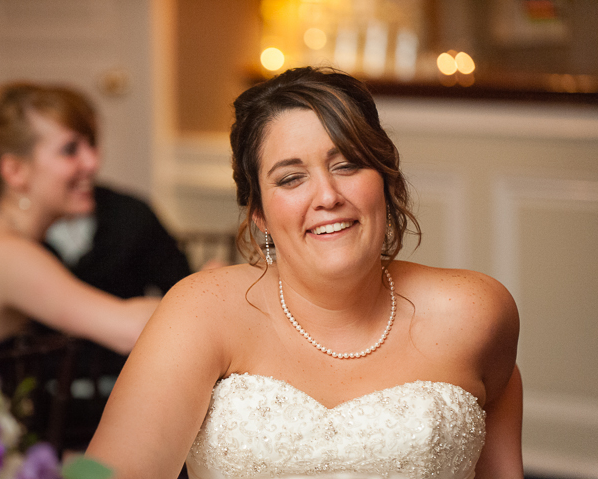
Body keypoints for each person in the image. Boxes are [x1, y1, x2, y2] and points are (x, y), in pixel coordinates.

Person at [86, 67, 522, 479]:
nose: (328, 196)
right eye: (292, 178)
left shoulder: (473, 312)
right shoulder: (202, 310)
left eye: (347, 164)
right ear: (258, 212)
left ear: (385, 180)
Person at [0, 82, 160, 357]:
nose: (91, 163)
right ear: (15, 170)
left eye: (90, 145)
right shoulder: (4, 253)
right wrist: (201, 292)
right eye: (69, 149)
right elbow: (128, 330)